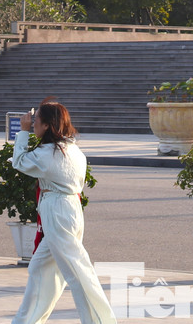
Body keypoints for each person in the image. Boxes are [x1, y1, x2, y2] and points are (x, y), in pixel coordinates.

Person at [10, 101, 115, 324]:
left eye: (36, 120)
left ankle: (101, 321)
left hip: (57, 211)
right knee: (40, 269)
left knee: (78, 273)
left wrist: (23, 131)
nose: (33, 123)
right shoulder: (73, 149)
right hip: (68, 209)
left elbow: (19, 161)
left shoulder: (50, 153)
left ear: (47, 125)